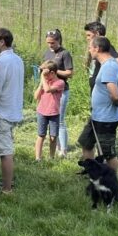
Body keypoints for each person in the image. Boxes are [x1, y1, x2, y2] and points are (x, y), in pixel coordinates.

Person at [78, 36, 118, 173]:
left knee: (107, 152)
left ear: (97, 48)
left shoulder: (109, 67)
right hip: (97, 116)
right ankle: (91, 172)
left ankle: (111, 181)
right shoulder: (110, 65)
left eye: (90, 48)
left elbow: (114, 95)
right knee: (86, 141)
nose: (89, 50)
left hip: (105, 118)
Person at [0, 28, 24, 194]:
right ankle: (7, 181)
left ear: (2, 42)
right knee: (7, 149)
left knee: (5, 152)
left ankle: (7, 188)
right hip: (13, 109)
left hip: (1, 111)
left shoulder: (1, 62)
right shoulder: (18, 59)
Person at [43, 29, 73, 157]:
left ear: (59, 41)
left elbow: (69, 73)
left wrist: (54, 71)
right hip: (49, 92)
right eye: (48, 43)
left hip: (61, 91)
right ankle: (56, 146)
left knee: (59, 120)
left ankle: (63, 150)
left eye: (53, 43)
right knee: (51, 120)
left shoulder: (64, 54)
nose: (50, 45)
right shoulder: (47, 53)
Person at [34, 61, 65, 161]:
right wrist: (40, 84)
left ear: (52, 73)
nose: (45, 77)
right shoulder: (44, 82)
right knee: (41, 135)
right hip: (42, 112)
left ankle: (51, 157)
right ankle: (38, 158)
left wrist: (43, 77)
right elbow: (36, 96)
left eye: (46, 75)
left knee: (53, 137)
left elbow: (47, 90)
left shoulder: (60, 83)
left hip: (54, 113)